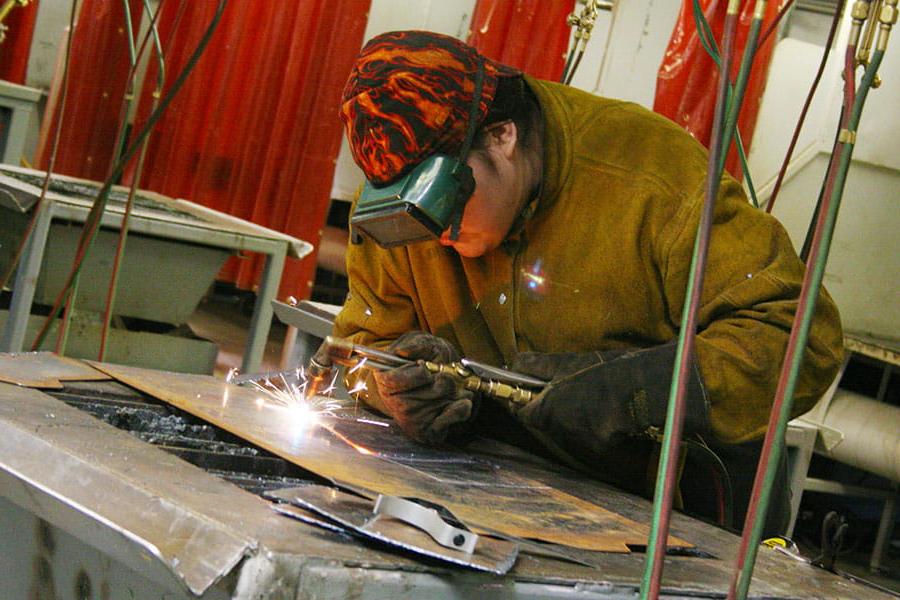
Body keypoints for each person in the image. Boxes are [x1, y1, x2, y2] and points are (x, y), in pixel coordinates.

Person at [330, 30, 843, 532]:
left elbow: (801, 337)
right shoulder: (396, 204)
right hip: (509, 489)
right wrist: (394, 390)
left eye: (447, 200)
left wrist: (636, 388)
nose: (438, 232)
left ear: (501, 136)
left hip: (679, 515)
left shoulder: (650, 178)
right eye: (415, 213)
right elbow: (360, 349)